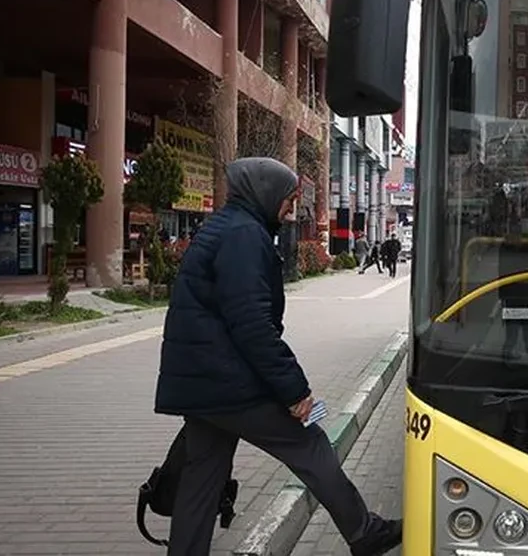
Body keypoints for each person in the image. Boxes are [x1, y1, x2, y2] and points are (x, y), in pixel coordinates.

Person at [154, 157, 401, 556]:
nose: (290, 210)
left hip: (203, 386)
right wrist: (295, 391)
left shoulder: (223, 227)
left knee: (201, 482)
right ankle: (364, 532)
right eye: (288, 199)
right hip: (232, 384)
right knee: (312, 441)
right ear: (265, 193)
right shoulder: (243, 236)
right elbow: (252, 324)